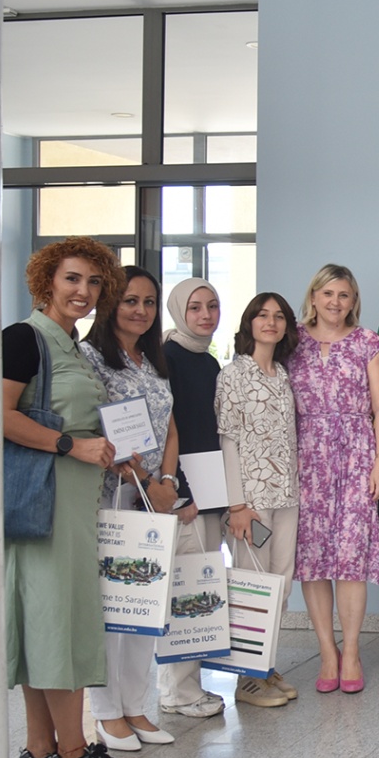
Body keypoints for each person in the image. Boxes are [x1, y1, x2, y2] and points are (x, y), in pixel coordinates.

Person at [2, 237, 142, 758]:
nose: (84, 291)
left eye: (94, 282)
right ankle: (74, 752)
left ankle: (40, 751)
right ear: (46, 282)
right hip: (48, 499)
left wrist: (105, 450)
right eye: (72, 279)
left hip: (74, 500)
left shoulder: (71, 346)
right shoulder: (25, 338)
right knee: (61, 621)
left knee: (48, 621)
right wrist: (71, 445)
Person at [80, 266, 185, 746]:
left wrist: (166, 481)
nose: (140, 310)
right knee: (115, 607)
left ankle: (135, 707)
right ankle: (106, 713)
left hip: (154, 497)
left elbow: (170, 426)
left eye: (148, 302)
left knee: (145, 605)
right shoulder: (91, 359)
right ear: (109, 304)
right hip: (114, 496)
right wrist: (144, 480)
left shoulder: (151, 360)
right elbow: (99, 428)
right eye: (129, 300)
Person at [288, 265, 379, 695]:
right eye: (328, 293)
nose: (335, 302)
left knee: (350, 558)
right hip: (306, 458)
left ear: (354, 301)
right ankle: (326, 651)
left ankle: (351, 651)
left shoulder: (368, 342)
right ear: (313, 296)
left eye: (344, 295)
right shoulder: (292, 341)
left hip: (356, 456)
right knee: (313, 559)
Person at [215, 291, 302, 707]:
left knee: (279, 585)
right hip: (251, 500)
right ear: (249, 322)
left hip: (286, 495)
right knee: (253, 586)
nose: (271, 322)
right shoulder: (233, 375)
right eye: (262, 315)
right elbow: (227, 440)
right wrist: (236, 505)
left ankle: (264, 665)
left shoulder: (282, 375)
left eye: (279, 316)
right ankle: (246, 679)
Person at [157, 276, 231, 718]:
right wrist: (181, 493)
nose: (206, 315)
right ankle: (177, 691)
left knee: (200, 588)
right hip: (185, 497)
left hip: (208, 494)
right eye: (195, 307)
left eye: (212, 306)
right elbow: (169, 431)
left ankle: (187, 686)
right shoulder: (168, 357)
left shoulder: (207, 360)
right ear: (179, 311)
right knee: (186, 592)